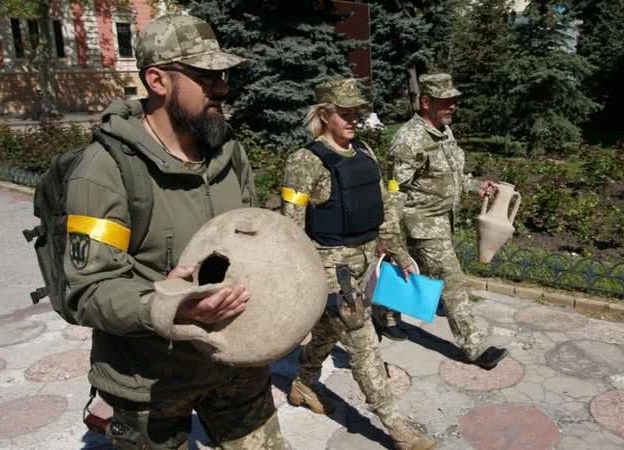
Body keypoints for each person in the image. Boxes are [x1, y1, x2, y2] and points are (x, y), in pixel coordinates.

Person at [64, 15, 285, 449]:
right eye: (205, 76)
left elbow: (251, 244)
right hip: (149, 383)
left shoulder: (229, 153)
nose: (221, 86)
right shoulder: (104, 170)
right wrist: (171, 307)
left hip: (235, 368)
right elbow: (88, 290)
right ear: (157, 80)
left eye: (222, 75)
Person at [280, 78, 437, 450]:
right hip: (332, 270)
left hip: (367, 262)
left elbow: (382, 212)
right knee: (365, 345)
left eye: (356, 113)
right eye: (344, 114)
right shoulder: (305, 161)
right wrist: (299, 280)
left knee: (327, 333)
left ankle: (303, 383)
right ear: (323, 115)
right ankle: (396, 427)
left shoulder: (364, 151)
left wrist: (400, 255)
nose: (353, 120)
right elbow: (291, 227)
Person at [381, 73, 509, 370]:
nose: (452, 106)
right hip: (422, 223)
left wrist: (475, 186)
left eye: (454, 101)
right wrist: (391, 236)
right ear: (426, 102)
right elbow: (395, 191)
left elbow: (448, 175)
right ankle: (474, 347)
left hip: (442, 220)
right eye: (445, 101)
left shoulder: (443, 130)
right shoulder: (409, 140)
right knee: (452, 281)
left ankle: (385, 314)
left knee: (416, 274)